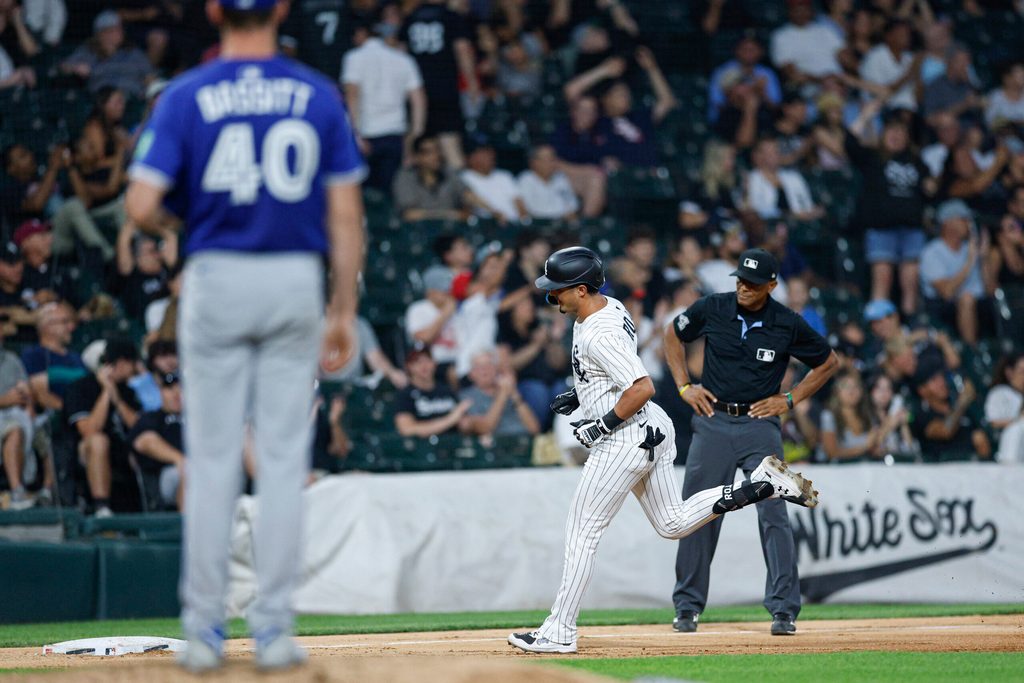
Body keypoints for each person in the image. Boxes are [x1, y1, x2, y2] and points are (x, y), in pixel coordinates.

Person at [125, 0, 366, 672]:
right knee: (284, 462)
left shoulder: (186, 93)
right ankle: (274, 630)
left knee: (212, 458)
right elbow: (345, 214)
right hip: (293, 274)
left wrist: (187, 222)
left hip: (218, 272)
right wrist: (343, 308)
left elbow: (140, 204)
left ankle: (203, 630)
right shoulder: (315, 94)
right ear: (281, 10)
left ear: (214, 11)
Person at [508, 247, 820, 654]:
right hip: (652, 429)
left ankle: (560, 631)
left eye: (558, 291)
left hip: (624, 438)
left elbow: (642, 386)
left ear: (581, 290)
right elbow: (616, 376)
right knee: (672, 522)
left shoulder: (598, 332)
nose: (552, 298)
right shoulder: (608, 307)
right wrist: (583, 394)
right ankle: (757, 485)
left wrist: (601, 421)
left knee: (582, 532)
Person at [663, 246, 839, 635]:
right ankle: (687, 606)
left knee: (774, 512)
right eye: (741, 279)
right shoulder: (713, 307)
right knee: (698, 513)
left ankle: (783, 610)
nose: (743, 286)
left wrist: (790, 399)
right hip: (713, 418)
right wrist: (684, 386)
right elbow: (672, 335)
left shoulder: (786, 322)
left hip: (760, 425)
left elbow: (828, 362)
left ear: (771, 285)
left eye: (753, 282)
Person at [341, 19, 426, 192]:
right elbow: (419, 99)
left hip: (365, 135)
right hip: (395, 135)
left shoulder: (354, 58)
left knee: (364, 194)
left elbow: (352, 96)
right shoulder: (404, 60)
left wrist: (353, 134)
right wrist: (414, 137)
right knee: (389, 192)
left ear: (361, 34)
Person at [64, 338, 142, 518]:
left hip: (122, 450)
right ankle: (102, 508)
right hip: (85, 452)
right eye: (131, 363)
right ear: (121, 363)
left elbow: (138, 428)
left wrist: (117, 399)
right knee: (99, 441)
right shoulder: (80, 387)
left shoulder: (128, 391)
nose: (135, 368)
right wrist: (106, 391)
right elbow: (90, 430)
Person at [399, 0, 479, 169]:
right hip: (445, 90)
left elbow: (401, 53)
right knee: (450, 145)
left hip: (415, 92)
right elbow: (462, 49)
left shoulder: (411, 17)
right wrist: (472, 82)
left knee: (414, 142)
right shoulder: (451, 16)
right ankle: (456, 191)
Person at [129, 368, 184, 510]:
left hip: (201, 470)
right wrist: (179, 459)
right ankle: (190, 529)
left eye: (181, 388)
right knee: (189, 472)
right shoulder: (153, 417)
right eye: (170, 389)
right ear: (161, 392)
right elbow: (144, 441)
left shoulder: (198, 420)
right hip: (167, 475)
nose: (176, 394)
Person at [459, 350, 539, 437]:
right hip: (498, 444)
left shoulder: (510, 391)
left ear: (496, 369)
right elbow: (485, 428)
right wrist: (503, 394)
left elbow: (534, 429)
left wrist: (514, 393)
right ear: (471, 374)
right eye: (479, 367)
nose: (485, 370)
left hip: (523, 439)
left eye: (489, 365)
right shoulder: (466, 397)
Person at [393, 347, 470, 438]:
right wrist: (449, 420)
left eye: (427, 360)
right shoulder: (405, 395)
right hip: (421, 448)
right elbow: (407, 429)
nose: (424, 366)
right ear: (408, 366)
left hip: (453, 444)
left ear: (434, 363)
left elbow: (464, 424)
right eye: (417, 362)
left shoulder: (446, 390)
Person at [984, 352, 1024, 464]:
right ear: (1010, 373)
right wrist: (1018, 419)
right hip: (1006, 447)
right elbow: (992, 422)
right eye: (1022, 372)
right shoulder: (1000, 393)